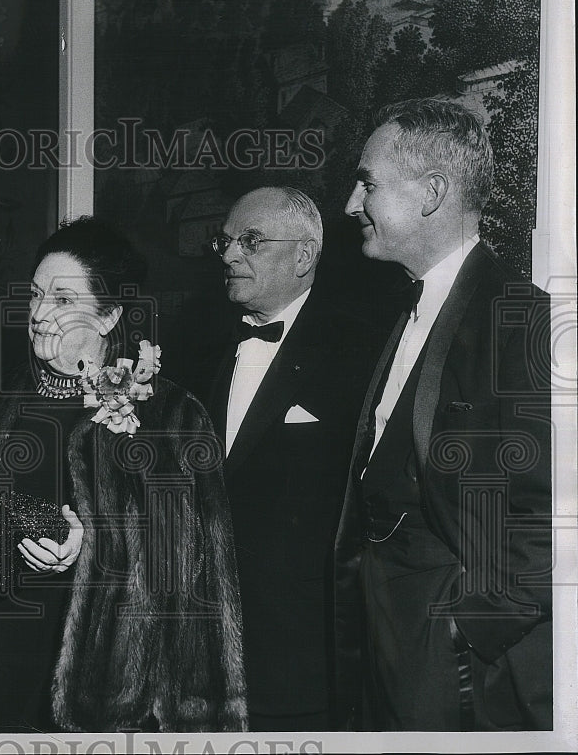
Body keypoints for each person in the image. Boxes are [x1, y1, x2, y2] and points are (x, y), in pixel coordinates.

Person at [0, 216, 249, 733]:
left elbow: (182, 575)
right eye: (36, 294)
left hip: (110, 698)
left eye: (63, 301)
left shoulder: (168, 417)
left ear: (109, 317)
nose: (39, 314)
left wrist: (92, 547)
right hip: (3, 675)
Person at [334, 98, 552, 730]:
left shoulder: (522, 320)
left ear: (431, 193)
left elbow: (557, 518)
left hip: (450, 644)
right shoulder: (404, 308)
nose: (352, 204)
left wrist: (468, 628)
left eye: (368, 182)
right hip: (388, 624)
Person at [187, 187, 388, 731]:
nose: (229, 255)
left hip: (301, 660)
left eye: (250, 241)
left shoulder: (361, 353)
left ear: (304, 255)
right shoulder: (196, 350)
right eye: (225, 242)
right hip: (197, 652)